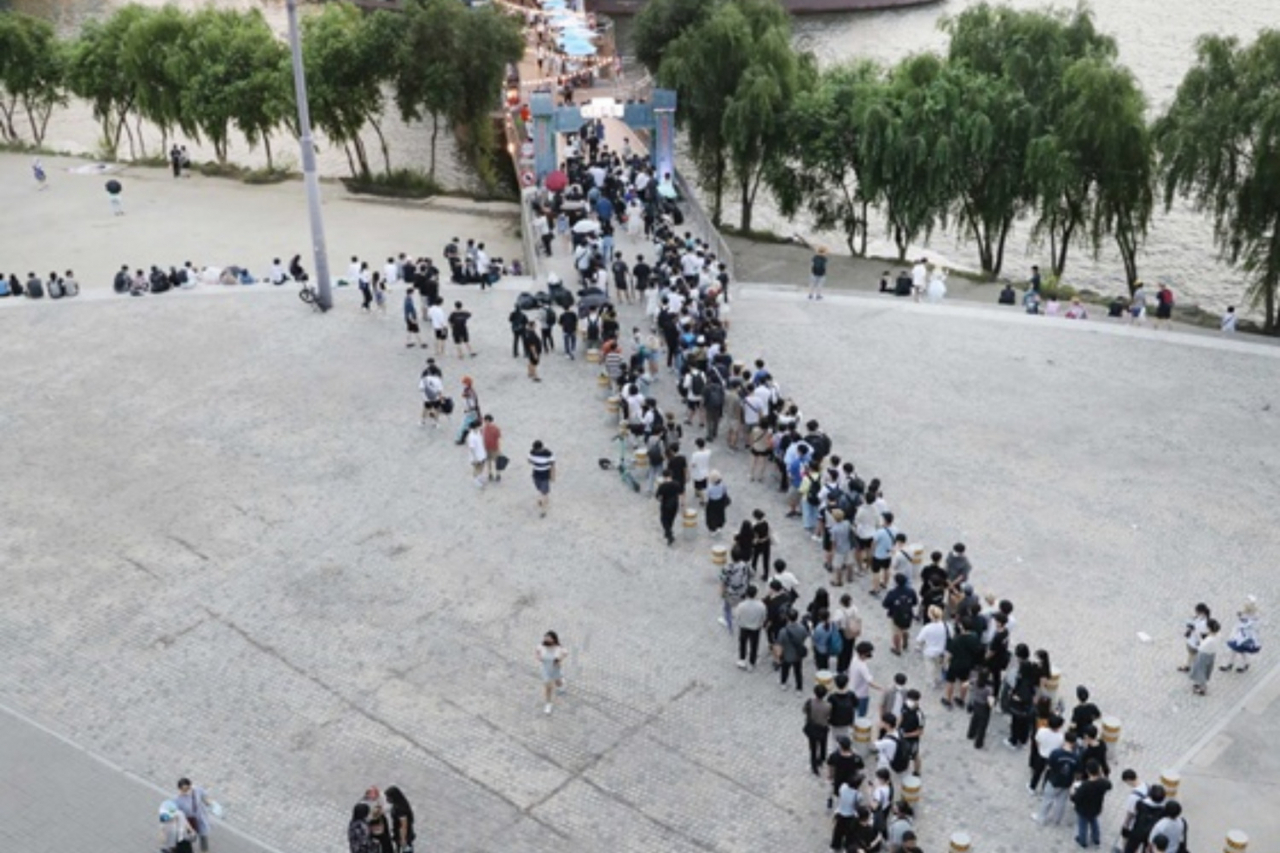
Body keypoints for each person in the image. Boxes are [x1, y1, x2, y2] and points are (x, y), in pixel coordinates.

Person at [1035, 731, 1081, 826]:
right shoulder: (1076, 757)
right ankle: (1057, 820)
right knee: (1061, 802)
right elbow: (1078, 772)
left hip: (1054, 780)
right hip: (1067, 782)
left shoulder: (1056, 753)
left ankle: (1041, 818)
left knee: (1047, 800)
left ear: (1065, 739)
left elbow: (1049, 766)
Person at [173, 778, 215, 853]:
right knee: (189, 837)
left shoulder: (197, 790)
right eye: (183, 790)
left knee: (203, 835)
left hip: (201, 818)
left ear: (190, 786)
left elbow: (204, 797)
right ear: (179, 789)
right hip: (188, 822)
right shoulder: (177, 800)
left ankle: (204, 850)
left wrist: (210, 803)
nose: (186, 791)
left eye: (187, 788)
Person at [1222, 597, 1261, 672]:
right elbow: (1242, 621)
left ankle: (1233, 664)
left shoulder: (1254, 617)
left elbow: (1249, 625)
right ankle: (1233, 664)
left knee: (1238, 649)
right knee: (1236, 649)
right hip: (1241, 635)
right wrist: (1241, 617)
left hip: (1247, 637)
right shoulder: (1247, 614)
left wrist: (1243, 620)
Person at [734, 584, 767, 670]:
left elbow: (737, 616)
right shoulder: (761, 606)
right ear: (756, 594)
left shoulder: (741, 605)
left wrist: (740, 623)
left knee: (743, 643)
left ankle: (742, 659)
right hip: (755, 628)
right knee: (754, 645)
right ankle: (752, 662)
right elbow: (763, 617)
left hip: (744, 627)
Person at [777, 609, 810, 692]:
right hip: (797, 655)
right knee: (798, 671)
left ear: (787, 618)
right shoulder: (802, 628)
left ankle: (783, 683)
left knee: (785, 670)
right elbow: (805, 638)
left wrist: (778, 656)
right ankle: (799, 688)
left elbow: (779, 644)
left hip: (786, 654)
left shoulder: (783, 631)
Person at [803, 684, 832, 775]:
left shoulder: (809, 702)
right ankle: (822, 759)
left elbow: (804, 711)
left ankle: (814, 766)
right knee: (823, 744)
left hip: (812, 727)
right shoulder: (828, 706)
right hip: (823, 728)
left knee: (813, 747)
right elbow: (829, 716)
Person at [537, 630, 568, 715]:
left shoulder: (558, 648)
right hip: (546, 670)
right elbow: (537, 653)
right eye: (545, 638)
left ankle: (561, 686)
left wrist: (559, 659)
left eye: (548, 638)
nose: (546, 640)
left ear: (554, 639)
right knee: (548, 688)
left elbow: (565, 653)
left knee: (558, 682)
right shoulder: (541, 646)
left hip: (555, 669)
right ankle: (548, 704)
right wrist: (539, 657)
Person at [1190, 618, 1221, 695]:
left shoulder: (1210, 639)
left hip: (1204, 654)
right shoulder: (1218, 635)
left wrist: (1198, 637)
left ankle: (1202, 688)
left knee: (1200, 670)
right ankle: (1200, 684)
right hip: (1212, 654)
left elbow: (1201, 646)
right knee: (1206, 669)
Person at [383, 787, 416, 853]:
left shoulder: (400, 810)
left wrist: (403, 839)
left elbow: (403, 825)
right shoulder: (401, 805)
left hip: (403, 837)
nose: (387, 799)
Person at [655, 468, 682, 545]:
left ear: (664, 476)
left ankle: (669, 534)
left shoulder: (662, 486)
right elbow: (680, 493)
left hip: (665, 505)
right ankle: (668, 531)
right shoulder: (676, 483)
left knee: (663, 519)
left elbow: (657, 496)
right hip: (675, 504)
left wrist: (661, 499)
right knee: (671, 519)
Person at [528, 440, 555, 517]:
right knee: (542, 491)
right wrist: (553, 475)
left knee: (543, 492)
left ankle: (543, 509)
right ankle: (543, 503)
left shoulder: (532, 452)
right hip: (543, 475)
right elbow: (552, 464)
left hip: (538, 474)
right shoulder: (548, 453)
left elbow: (529, 461)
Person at [465, 421, 487, 488]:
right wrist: (475, 458)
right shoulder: (471, 436)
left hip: (481, 453)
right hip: (476, 456)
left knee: (482, 466)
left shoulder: (478, 433)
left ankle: (480, 477)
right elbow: (472, 449)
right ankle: (476, 480)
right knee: (476, 468)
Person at [481, 414, 503, 481]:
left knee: (495, 461)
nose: (484, 422)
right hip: (489, 448)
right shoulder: (485, 428)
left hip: (493, 448)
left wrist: (499, 448)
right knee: (489, 461)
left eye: (485, 421)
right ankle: (491, 474)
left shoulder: (493, 429)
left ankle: (497, 474)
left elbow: (499, 439)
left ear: (487, 420)